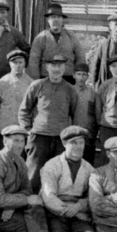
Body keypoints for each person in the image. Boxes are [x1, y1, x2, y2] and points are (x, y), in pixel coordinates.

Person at [18, 52, 79, 190]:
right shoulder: (37, 85)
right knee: (33, 174)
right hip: (39, 138)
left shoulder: (70, 90)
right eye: (53, 65)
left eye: (60, 66)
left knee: (58, 173)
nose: (56, 69)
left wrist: (69, 137)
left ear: (64, 68)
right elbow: (24, 110)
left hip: (60, 139)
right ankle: (30, 205)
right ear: (47, 67)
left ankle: (52, 205)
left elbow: (74, 115)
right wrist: (28, 130)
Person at [0, 49, 32, 152]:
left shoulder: (31, 84)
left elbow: (33, 107)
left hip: (22, 130)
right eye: (14, 62)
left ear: (25, 63)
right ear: (9, 64)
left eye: (20, 62)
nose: (17, 65)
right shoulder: (1, 83)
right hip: (4, 129)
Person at [28, 3, 84, 82]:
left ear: (62, 20)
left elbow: (80, 58)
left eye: (58, 17)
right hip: (46, 78)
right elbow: (34, 61)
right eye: (53, 17)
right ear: (48, 20)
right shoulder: (40, 38)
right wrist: (36, 83)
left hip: (68, 78)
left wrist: (78, 79)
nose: (56, 20)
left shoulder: (71, 37)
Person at [71, 63, 99, 165]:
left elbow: (97, 114)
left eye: (84, 74)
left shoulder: (93, 93)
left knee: (87, 163)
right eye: (78, 74)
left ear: (88, 76)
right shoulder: (69, 91)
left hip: (88, 135)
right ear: (73, 75)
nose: (81, 78)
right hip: (72, 134)